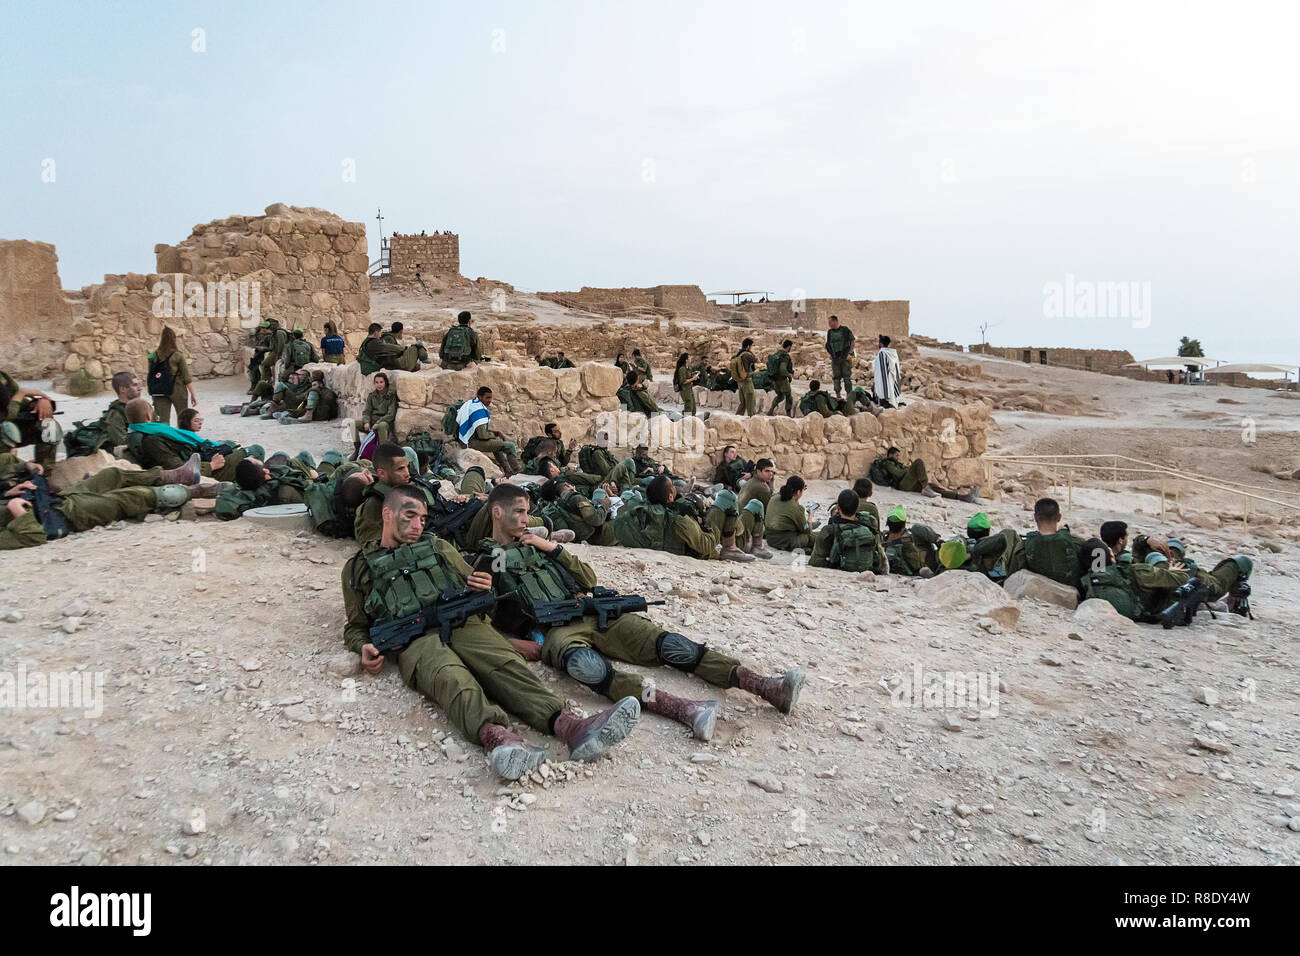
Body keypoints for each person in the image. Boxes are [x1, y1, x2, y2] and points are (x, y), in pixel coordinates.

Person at [341, 486, 640, 780]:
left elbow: (472, 584)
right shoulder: (358, 569)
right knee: (451, 678)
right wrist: (364, 647)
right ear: (387, 514)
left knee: (506, 666)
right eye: (410, 516)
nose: (418, 525)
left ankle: (572, 727)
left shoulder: (439, 547)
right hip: (415, 640)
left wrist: (480, 586)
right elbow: (355, 627)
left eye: (422, 518)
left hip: (465, 624)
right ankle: (499, 738)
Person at [475, 484, 803, 740]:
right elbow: (479, 622)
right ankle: (684, 710)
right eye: (518, 513)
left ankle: (764, 686)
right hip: (553, 633)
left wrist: (555, 549)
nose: (524, 519)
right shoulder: (486, 561)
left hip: (589, 611)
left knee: (672, 645)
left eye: (526, 512)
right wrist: (517, 645)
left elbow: (588, 579)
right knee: (588, 669)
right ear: (497, 513)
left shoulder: (538, 546)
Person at [0, 452, 211, 550]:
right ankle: (193, 492)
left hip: (57, 500)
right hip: (65, 517)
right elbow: (33, 538)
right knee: (125, 498)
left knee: (111, 475)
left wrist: (11, 492)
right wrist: (19, 512)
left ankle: (176, 476)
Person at [126, 398, 250, 482]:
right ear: (149, 416)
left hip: (197, 459)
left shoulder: (142, 434)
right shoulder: (151, 440)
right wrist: (211, 465)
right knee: (254, 451)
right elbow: (179, 470)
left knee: (230, 444)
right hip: (202, 471)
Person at [1078, 537, 1190, 622]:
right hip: (1155, 606)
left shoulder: (1087, 581)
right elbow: (1183, 578)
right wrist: (1171, 569)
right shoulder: (1133, 571)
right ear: (1112, 557)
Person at [62, 370, 139, 457]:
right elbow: (121, 443)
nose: (140, 388)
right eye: (135, 385)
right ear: (123, 389)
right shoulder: (116, 414)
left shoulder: (139, 407)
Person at [810, 489, 884, 571]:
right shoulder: (870, 524)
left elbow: (814, 561)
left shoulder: (829, 530)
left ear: (838, 507)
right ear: (857, 507)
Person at [935, 512, 1023, 581]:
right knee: (1009, 533)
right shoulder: (988, 548)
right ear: (987, 532)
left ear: (968, 532)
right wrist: (973, 550)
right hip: (990, 576)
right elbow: (1002, 538)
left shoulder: (957, 545)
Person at [869, 446, 978, 502]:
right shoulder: (887, 463)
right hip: (902, 485)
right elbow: (898, 474)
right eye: (896, 455)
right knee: (918, 462)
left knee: (935, 488)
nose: (898, 458)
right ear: (890, 455)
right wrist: (910, 471)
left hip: (909, 483)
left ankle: (962, 497)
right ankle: (925, 487)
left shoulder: (896, 463)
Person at [1023, 497, 1087, 591]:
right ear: (1059, 517)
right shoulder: (1075, 543)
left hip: (1037, 591)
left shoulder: (1025, 545)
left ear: (1035, 517)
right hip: (1074, 592)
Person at [456, 386, 523, 474]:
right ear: (480, 397)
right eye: (487, 397)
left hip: (466, 440)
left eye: (491, 397)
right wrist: (494, 435)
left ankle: (508, 471)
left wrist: (495, 433)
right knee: (509, 446)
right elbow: (482, 435)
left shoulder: (473, 405)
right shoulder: (478, 411)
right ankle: (517, 471)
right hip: (471, 443)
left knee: (496, 445)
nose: (490, 400)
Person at [540, 477, 617, 545]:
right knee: (627, 498)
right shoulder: (576, 498)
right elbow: (596, 520)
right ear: (566, 485)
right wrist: (605, 505)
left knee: (598, 492)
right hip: (605, 533)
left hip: (592, 538)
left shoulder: (555, 507)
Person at [147, 326, 196, 426]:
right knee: (183, 418)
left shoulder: (152, 356)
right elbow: (187, 377)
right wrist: (192, 394)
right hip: (177, 389)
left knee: (161, 420)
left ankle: (163, 439)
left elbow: (151, 374)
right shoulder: (178, 355)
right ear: (174, 339)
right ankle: (183, 438)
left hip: (159, 390)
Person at [882, 505, 940, 576]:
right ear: (904, 524)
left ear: (888, 523)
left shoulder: (882, 539)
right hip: (926, 567)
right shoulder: (912, 537)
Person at [765, 476, 815, 552]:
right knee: (811, 536)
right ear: (798, 492)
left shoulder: (774, 497)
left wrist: (798, 492)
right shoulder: (797, 508)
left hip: (770, 539)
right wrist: (810, 516)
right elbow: (807, 530)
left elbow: (789, 501)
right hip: (786, 542)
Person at [274, 370, 339, 424]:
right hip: (314, 410)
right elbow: (301, 397)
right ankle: (287, 414)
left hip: (322, 413)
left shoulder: (326, 391)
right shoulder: (312, 390)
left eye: (315, 384)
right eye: (312, 385)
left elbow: (329, 400)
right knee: (295, 412)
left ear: (321, 384)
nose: (313, 386)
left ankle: (302, 418)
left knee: (313, 391)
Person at [359, 323, 427, 374]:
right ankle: (425, 359)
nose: (380, 335)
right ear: (376, 333)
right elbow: (393, 348)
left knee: (416, 366)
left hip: (390, 362)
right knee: (416, 346)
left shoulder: (367, 342)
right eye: (380, 332)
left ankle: (424, 360)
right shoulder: (374, 343)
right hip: (394, 364)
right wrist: (403, 348)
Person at [360, 373, 398, 445]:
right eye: (376, 382)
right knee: (353, 424)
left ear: (385, 382)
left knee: (382, 425)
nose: (379, 385)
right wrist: (366, 422)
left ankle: (382, 452)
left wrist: (378, 423)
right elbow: (367, 412)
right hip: (372, 421)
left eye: (381, 382)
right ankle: (358, 449)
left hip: (385, 421)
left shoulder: (391, 395)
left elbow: (391, 414)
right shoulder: (371, 396)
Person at [825, 315, 855, 400]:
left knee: (847, 377)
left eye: (830, 322)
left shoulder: (845, 330)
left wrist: (850, 353)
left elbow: (852, 341)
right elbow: (829, 344)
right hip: (835, 358)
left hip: (845, 357)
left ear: (835, 321)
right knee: (836, 378)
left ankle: (849, 396)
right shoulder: (830, 332)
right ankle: (838, 396)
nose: (829, 324)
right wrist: (831, 354)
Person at [765, 340, 795, 416]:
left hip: (774, 379)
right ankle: (788, 415)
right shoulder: (785, 356)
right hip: (782, 380)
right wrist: (789, 375)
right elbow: (783, 369)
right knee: (788, 396)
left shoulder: (777, 354)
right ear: (789, 347)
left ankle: (770, 411)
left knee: (780, 396)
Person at [871, 334, 902, 409]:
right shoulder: (893, 353)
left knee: (882, 387)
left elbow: (879, 372)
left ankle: (884, 401)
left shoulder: (882, 354)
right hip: (892, 379)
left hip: (886, 380)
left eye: (879, 343)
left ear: (881, 343)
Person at [730, 338, 758, 416]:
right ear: (748, 346)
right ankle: (752, 420)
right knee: (750, 403)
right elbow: (757, 360)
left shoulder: (738, 355)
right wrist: (750, 351)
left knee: (743, 403)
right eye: (751, 346)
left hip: (740, 382)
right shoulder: (747, 354)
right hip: (747, 381)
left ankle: (737, 419)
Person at [673, 353, 699, 417]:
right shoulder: (682, 369)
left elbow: (688, 375)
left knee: (693, 407)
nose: (691, 358)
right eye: (689, 357)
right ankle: (686, 419)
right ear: (686, 360)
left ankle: (691, 418)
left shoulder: (688, 368)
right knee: (688, 406)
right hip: (684, 390)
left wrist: (694, 374)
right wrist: (693, 379)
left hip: (689, 389)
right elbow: (683, 381)